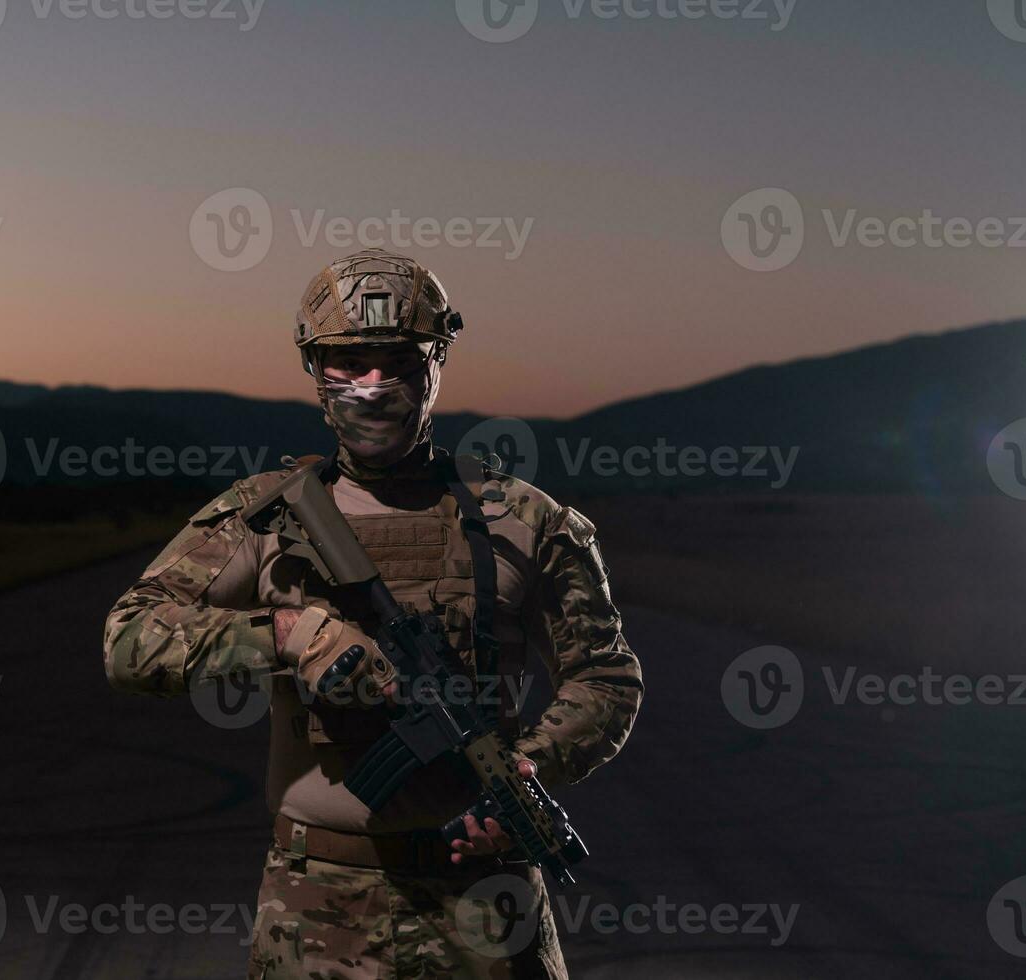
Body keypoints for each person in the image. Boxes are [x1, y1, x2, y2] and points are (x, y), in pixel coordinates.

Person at [103, 248, 643, 978]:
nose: (372, 386)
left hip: (487, 903)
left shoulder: (524, 520)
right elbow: (130, 639)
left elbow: (605, 677)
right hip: (316, 909)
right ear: (313, 368)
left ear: (438, 360)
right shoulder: (262, 515)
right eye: (348, 363)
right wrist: (291, 635)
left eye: (398, 360)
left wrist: (529, 766)